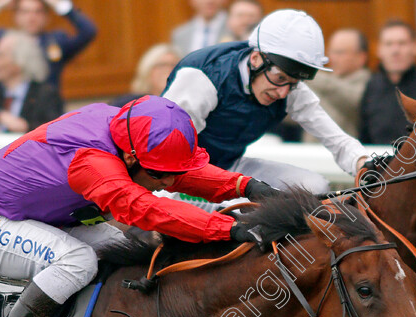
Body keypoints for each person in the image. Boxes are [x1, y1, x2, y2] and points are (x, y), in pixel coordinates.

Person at [0, 95, 274, 317]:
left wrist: (245, 186)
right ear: (132, 158)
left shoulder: (129, 134)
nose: (169, 183)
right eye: (160, 176)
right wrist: (228, 228)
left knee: (124, 250)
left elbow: (178, 173)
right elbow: (146, 210)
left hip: (45, 215)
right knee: (78, 261)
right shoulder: (91, 162)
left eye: (172, 174)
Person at [163, 9, 370, 197]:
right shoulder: (201, 78)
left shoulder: (288, 87)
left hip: (230, 167)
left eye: (293, 83)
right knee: (238, 208)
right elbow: (166, 156)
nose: (283, 93)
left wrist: (364, 163)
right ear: (255, 59)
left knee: (314, 188)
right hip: (176, 176)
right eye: (279, 79)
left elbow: (337, 139)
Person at [0, 0, 97, 96]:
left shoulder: (56, 41)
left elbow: (88, 32)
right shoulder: (4, 40)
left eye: (38, 12)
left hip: (46, 110)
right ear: (15, 16)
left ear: (47, 17)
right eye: (25, 12)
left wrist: (61, 5)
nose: (31, 18)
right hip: (10, 107)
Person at [359, 20, 416, 145]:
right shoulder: (371, 87)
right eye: (388, 44)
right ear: (379, 50)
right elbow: (363, 135)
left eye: (402, 43)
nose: (395, 50)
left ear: (415, 47)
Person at [0, 30, 62, 132]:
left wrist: (25, 127)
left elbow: (55, 131)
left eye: (0, 55)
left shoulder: (45, 94)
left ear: (19, 62)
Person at [306, 28, 370, 137]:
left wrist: (307, 72)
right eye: (331, 52)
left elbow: (355, 101)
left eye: (340, 53)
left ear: (361, 57)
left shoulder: (370, 84)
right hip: (311, 151)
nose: (332, 58)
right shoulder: (320, 83)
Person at [109, 43, 180, 108]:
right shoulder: (128, 105)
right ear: (147, 70)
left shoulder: (185, 104)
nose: (168, 70)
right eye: (162, 65)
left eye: (173, 65)